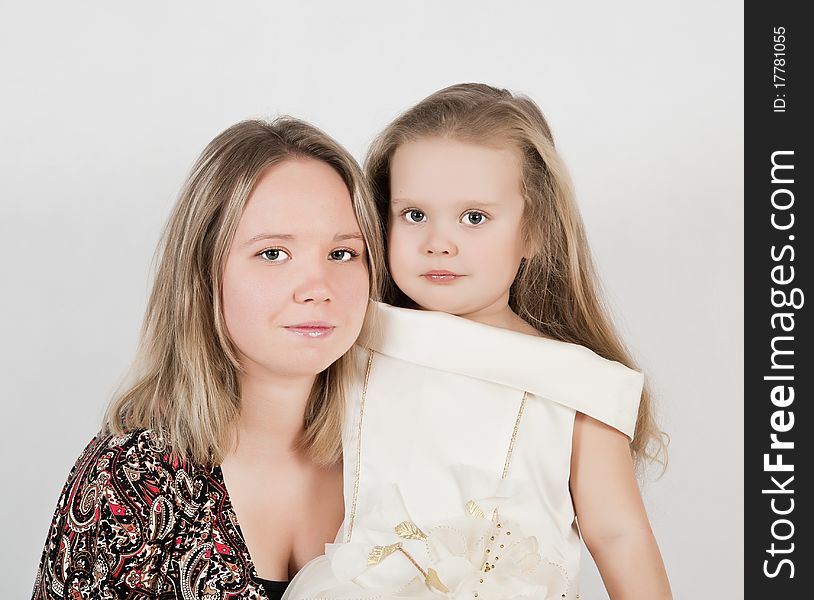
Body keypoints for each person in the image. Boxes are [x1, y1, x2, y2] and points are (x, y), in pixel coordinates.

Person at [283, 84, 672, 600]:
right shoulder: (356, 341)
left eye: (474, 218)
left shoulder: (577, 383)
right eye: (414, 215)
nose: (439, 242)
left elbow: (618, 533)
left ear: (533, 231)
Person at [31, 117, 386, 600]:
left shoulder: (393, 453)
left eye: (343, 254)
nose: (318, 288)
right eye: (274, 253)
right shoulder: (128, 484)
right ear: (204, 270)